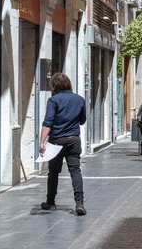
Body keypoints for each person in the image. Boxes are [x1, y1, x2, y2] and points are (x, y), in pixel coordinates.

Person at [39, 73, 87, 215]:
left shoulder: (53, 100)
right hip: (73, 139)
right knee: (75, 171)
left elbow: (48, 122)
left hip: (56, 141)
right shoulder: (79, 99)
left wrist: (42, 142)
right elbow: (82, 120)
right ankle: (79, 202)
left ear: (55, 86)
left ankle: (51, 202)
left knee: (53, 172)